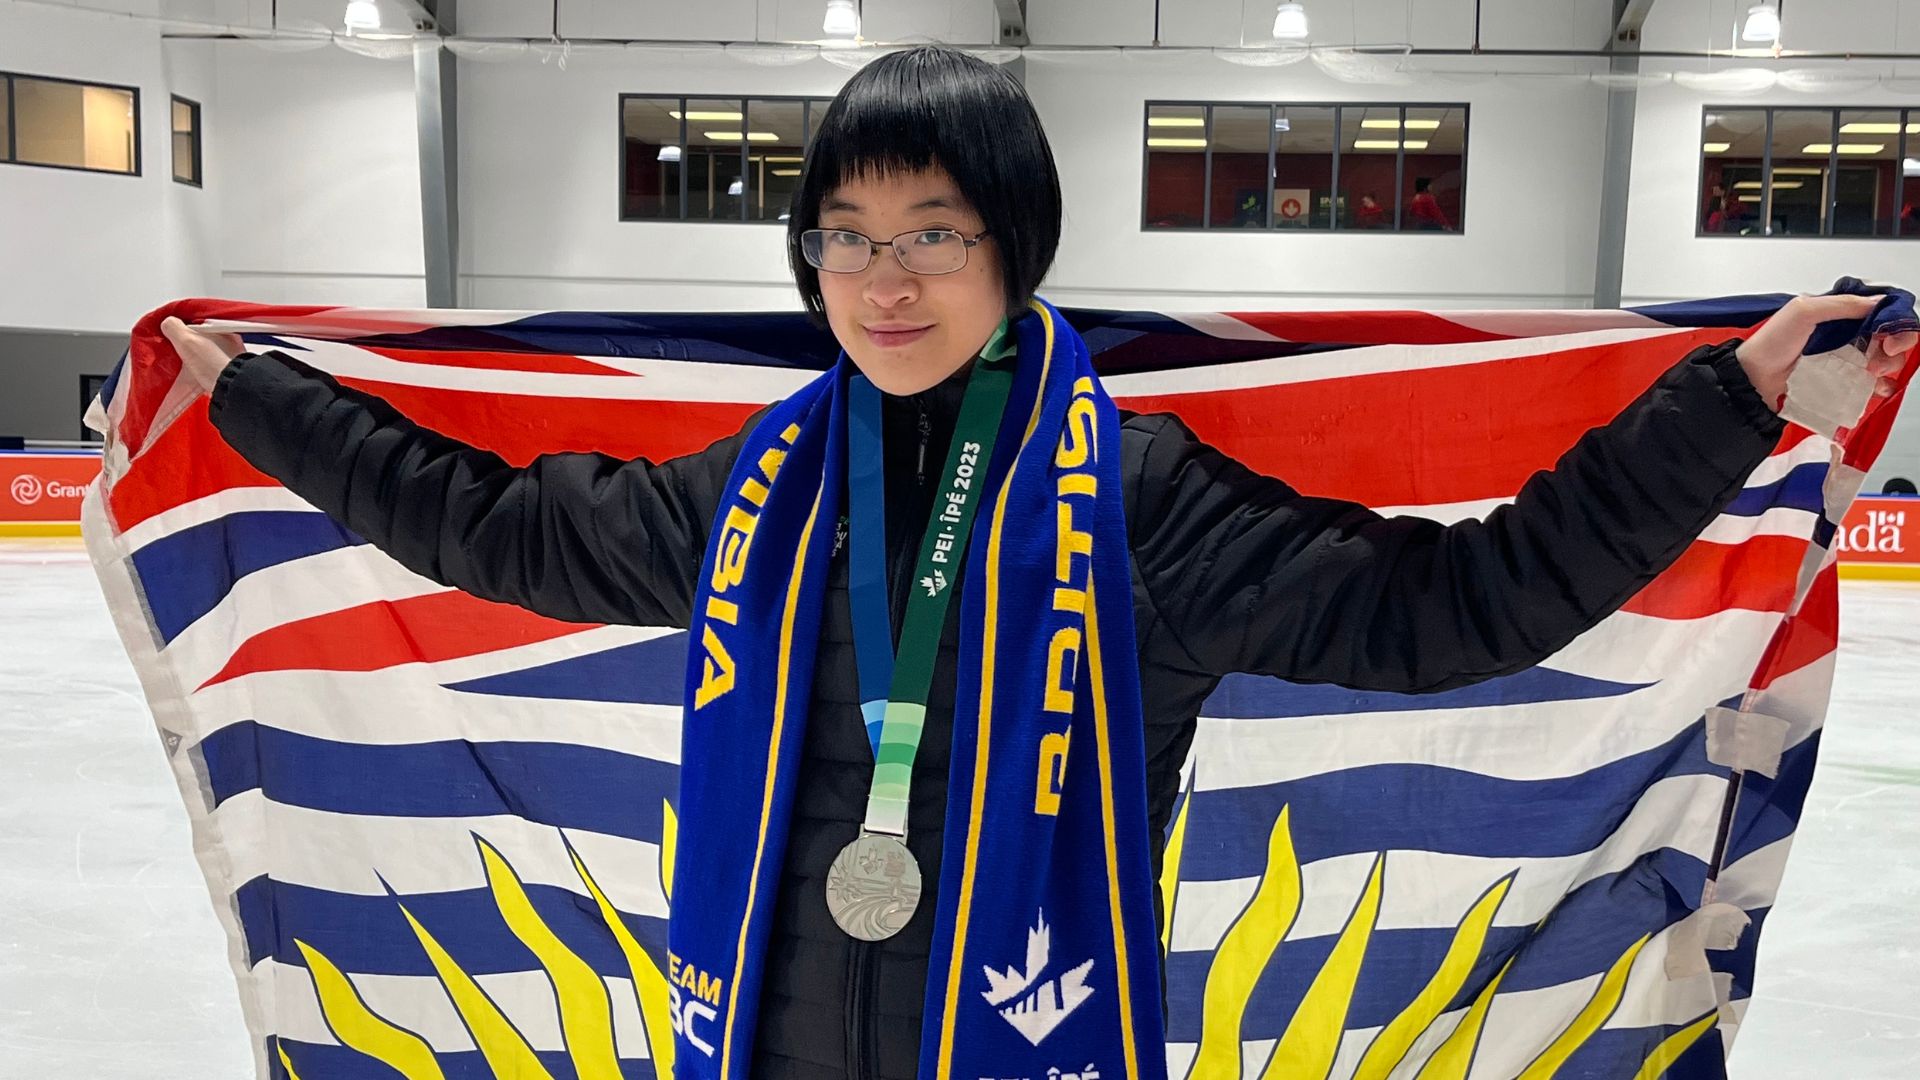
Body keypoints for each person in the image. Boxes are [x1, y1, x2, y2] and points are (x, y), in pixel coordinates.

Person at [161, 45, 1912, 1080]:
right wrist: (262, 406)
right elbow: (499, 525)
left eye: (935, 233)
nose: (886, 281)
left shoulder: (1137, 497)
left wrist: (1721, 405)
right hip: (755, 1034)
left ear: (1017, 251)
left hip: (1034, 1036)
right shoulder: (756, 493)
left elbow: (1457, 610)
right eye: (845, 239)